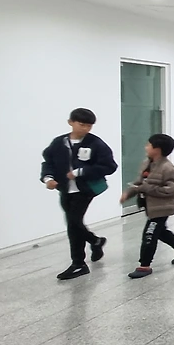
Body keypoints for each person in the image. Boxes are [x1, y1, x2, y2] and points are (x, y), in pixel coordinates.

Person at [41, 108, 118, 281]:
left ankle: (78, 263)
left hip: (85, 189)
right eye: (82, 124)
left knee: (73, 223)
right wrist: (48, 178)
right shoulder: (59, 143)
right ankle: (95, 241)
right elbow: (48, 162)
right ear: (71, 122)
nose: (85, 129)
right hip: (65, 189)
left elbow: (109, 166)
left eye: (89, 126)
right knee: (74, 223)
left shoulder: (95, 143)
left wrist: (81, 172)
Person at [120, 133, 174, 278]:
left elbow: (171, 190)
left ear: (157, 149)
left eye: (148, 145)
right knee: (160, 231)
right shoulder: (147, 164)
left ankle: (144, 266)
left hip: (163, 207)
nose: (145, 147)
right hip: (151, 206)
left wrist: (148, 188)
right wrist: (129, 193)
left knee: (150, 233)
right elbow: (139, 183)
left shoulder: (168, 168)